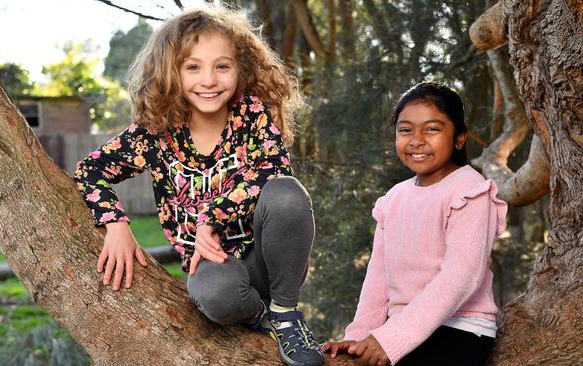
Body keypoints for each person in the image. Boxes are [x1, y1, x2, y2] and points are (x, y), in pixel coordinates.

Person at [73, 7, 324, 366]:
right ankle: (260, 317)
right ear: (171, 71)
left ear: (242, 69)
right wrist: (116, 224)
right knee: (216, 295)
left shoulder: (251, 115)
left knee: (288, 193)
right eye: (193, 67)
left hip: (265, 254)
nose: (209, 80)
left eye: (222, 66)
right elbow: (90, 170)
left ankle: (285, 314)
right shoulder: (155, 133)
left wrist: (212, 217)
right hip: (212, 263)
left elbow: (272, 169)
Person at [322, 82, 508, 366]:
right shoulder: (394, 198)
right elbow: (378, 278)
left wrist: (393, 338)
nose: (416, 140)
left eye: (432, 129)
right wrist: (360, 335)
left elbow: (461, 277)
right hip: (399, 330)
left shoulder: (470, 190)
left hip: (460, 330)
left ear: (459, 137)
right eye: (405, 130)